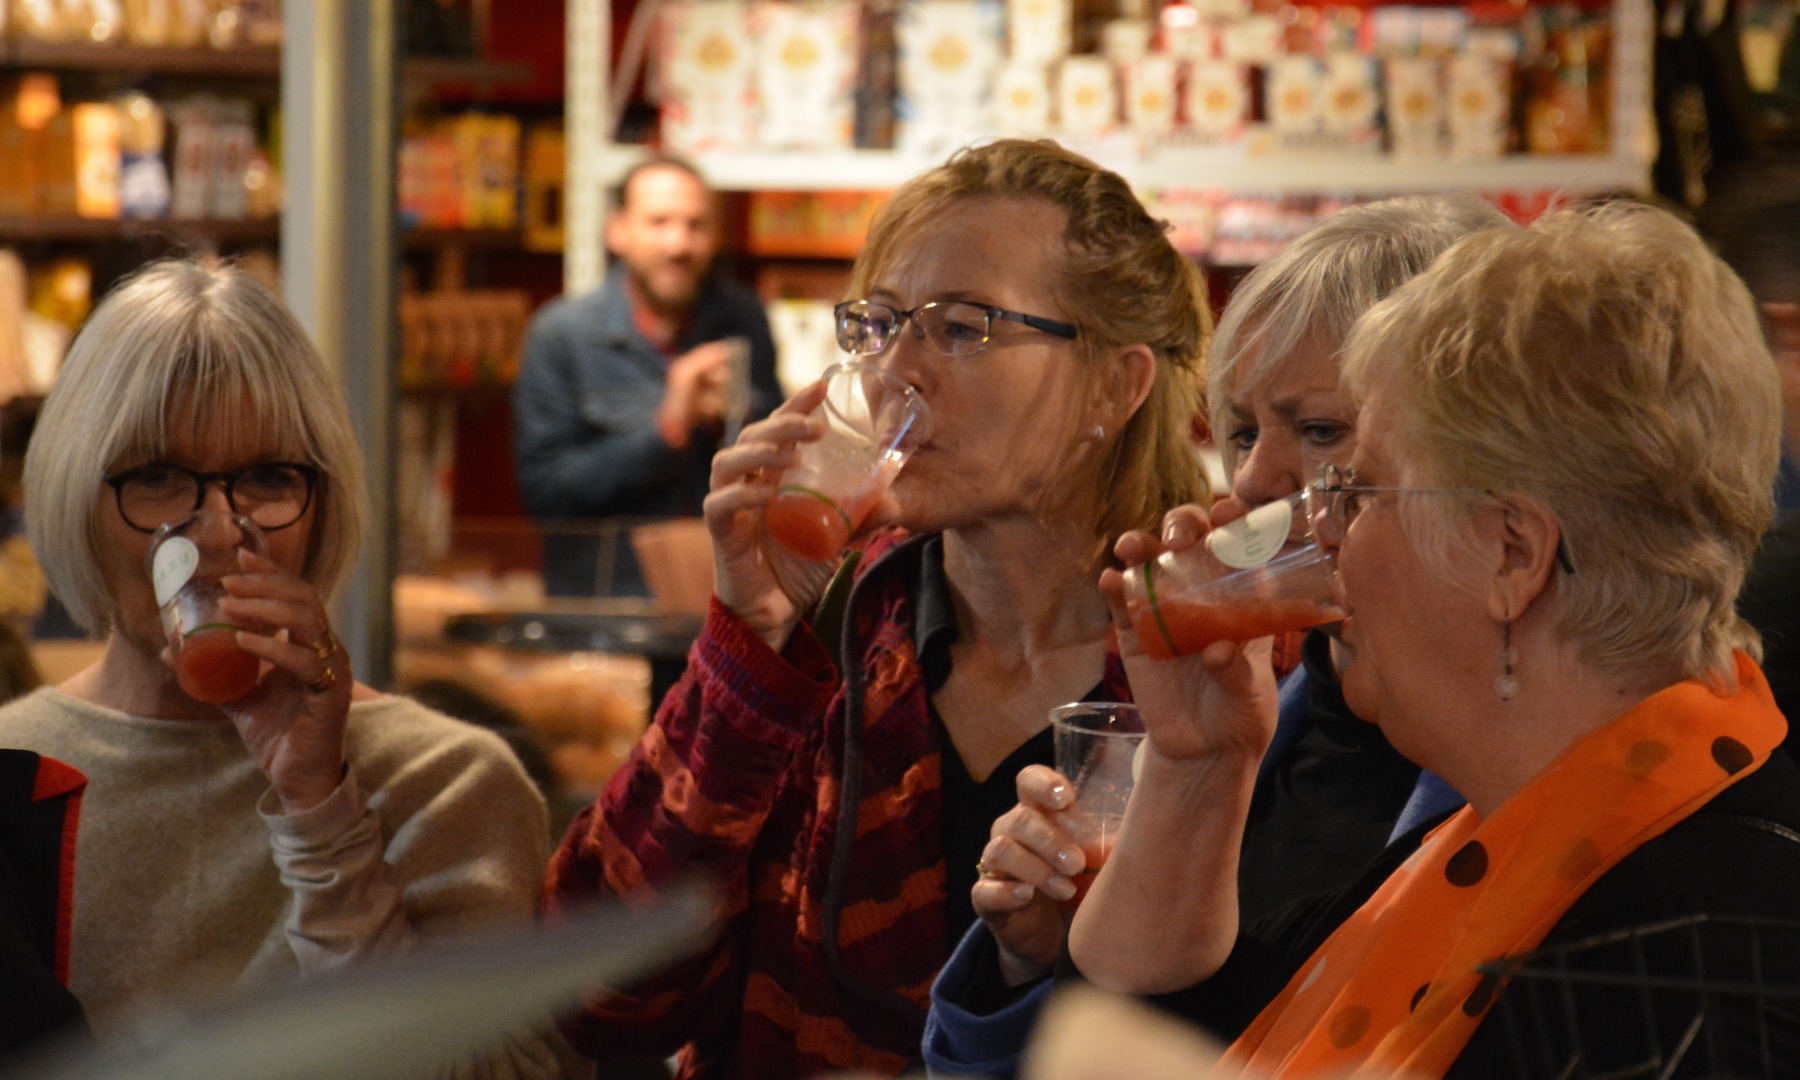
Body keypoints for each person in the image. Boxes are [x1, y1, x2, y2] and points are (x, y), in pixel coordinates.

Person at [1067, 202, 1800, 1077]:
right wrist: (1197, 763)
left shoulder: (1685, 974)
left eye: (1360, 492)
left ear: (1512, 554)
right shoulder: (1503, 831)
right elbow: (1176, 1011)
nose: (1320, 530)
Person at [541, 138, 1212, 1080]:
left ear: (1116, 383)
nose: (898, 368)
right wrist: (750, 639)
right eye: (880, 324)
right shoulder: (835, 632)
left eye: (962, 328)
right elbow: (594, 999)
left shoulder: (1211, 668)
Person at [925, 194, 1510, 1078]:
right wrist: (1034, 959)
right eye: (1241, 432)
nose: (1255, 478)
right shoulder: (1250, 715)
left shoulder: (1521, 749)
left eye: (1320, 430)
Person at [0, 259, 582, 1078]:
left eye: (268, 478)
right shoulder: (16, 773)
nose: (217, 531)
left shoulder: (443, 782)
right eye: (158, 477)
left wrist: (321, 814)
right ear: (74, 497)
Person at [513, 156, 784, 598]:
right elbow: (547, 499)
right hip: (605, 608)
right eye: (659, 222)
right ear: (617, 230)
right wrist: (668, 428)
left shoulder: (744, 318)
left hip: (721, 601)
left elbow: (779, 469)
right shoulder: (561, 334)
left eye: (695, 225)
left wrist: (733, 421)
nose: (678, 244)